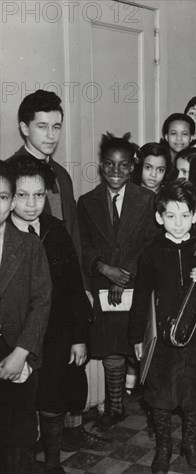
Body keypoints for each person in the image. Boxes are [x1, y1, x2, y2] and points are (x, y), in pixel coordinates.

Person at [129, 180, 196, 473]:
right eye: (170, 216)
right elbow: (140, 298)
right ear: (159, 218)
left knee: (195, 395)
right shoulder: (151, 253)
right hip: (162, 338)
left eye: (185, 215)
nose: (178, 223)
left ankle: (190, 443)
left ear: (195, 216)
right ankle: (164, 447)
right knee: (161, 396)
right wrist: (137, 336)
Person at [8, 156, 100, 472]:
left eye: (39, 195)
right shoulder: (4, 235)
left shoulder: (56, 231)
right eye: (22, 195)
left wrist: (78, 338)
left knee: (53, 398)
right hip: (17, 335)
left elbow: (74, 289)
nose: (32, 204)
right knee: (19, 403)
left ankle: (52, 461)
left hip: (57, 333)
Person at [77, 132, 156, 430]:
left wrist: (124, 276)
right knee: (111, 348)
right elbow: (83, 246)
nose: (116, 171)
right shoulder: (87, 202)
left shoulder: (147, 200)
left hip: (139, 284)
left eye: (123, 165)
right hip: (102, 284)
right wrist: (104, 269)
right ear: (101, 166)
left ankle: (153, 409)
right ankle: (115, 406)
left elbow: (150, 244)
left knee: (139, 347)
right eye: (109, 164)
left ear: (133, 167)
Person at [0, 161, 51, 473]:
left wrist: (23, 354)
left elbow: (42, 302)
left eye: (3, 197)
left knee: (16, 437)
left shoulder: (29, 245)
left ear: (11, 201)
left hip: (16, 352)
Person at [7, 90, 79, 246]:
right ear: (25, 129)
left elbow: (74, 232)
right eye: (42, 126)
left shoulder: (62, 174)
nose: (51, 136)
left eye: (56, 127)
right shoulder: (7, 173)